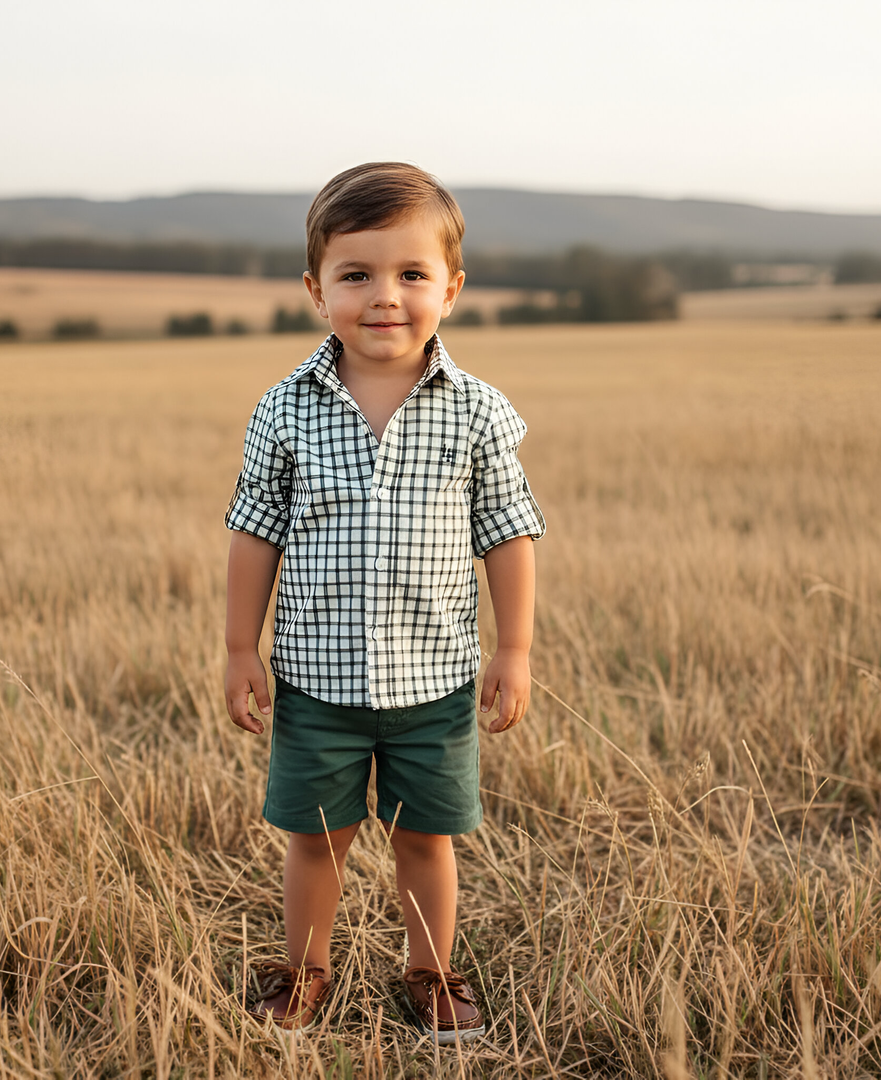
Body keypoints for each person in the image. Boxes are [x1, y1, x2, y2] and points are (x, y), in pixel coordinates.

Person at [224, 162, 545, 1042]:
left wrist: (513, 650)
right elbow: (254, 533)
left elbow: (508, 535)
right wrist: (241, 648)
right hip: (316, 683)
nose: (385, 296)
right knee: (316, 839)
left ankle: (431, 973)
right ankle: (305, 971)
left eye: (411, 273)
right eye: (356, 274)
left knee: (424, 840)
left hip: (433, 684)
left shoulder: (477, 412)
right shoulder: (285, 410)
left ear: (452, 289)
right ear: (316, 290)